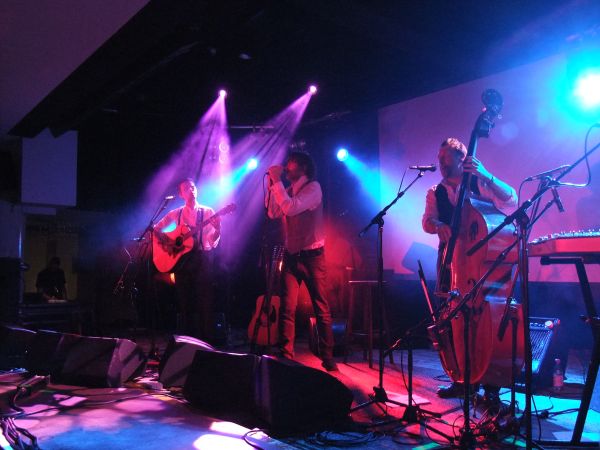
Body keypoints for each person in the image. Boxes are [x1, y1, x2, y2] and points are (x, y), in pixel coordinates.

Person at [422, 138, 517, 403]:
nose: (441, 163)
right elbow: (427, 221)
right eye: (439, 159)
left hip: (482, 265)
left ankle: (491, 384)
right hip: (452, 263)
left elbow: (511, 199)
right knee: (454, 320)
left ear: (461, 158)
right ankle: (463, 379)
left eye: (446, 158)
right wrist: (438, 225)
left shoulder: (480, 184)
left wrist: (485, 174)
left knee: (487, 322)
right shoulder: (435, 192)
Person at [266, 152, 338, 371]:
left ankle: (327, 356)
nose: (287, 166)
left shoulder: (313, 188)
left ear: (303, 167)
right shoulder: (287, 190)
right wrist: (273, 185)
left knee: (320, 307)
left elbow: (291, 208)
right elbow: (273, 212)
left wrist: (277, 181)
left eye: (291, 163)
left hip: (312, 257)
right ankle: (285, 353)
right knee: (287, 307)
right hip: (291, 255)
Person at [154, 178, 220, 343]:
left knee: (205, 300)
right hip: (182, 262)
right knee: (184, 301)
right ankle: (186, 342)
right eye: (186, 188)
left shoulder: (207, 212)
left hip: (202, 258)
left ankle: (207, 342)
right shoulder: (176, 213)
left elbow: (212, 241)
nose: (191, 189)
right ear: (181, 194)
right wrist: (168, 242)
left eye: (192, 186)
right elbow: (156, 229)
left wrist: (218, 229)